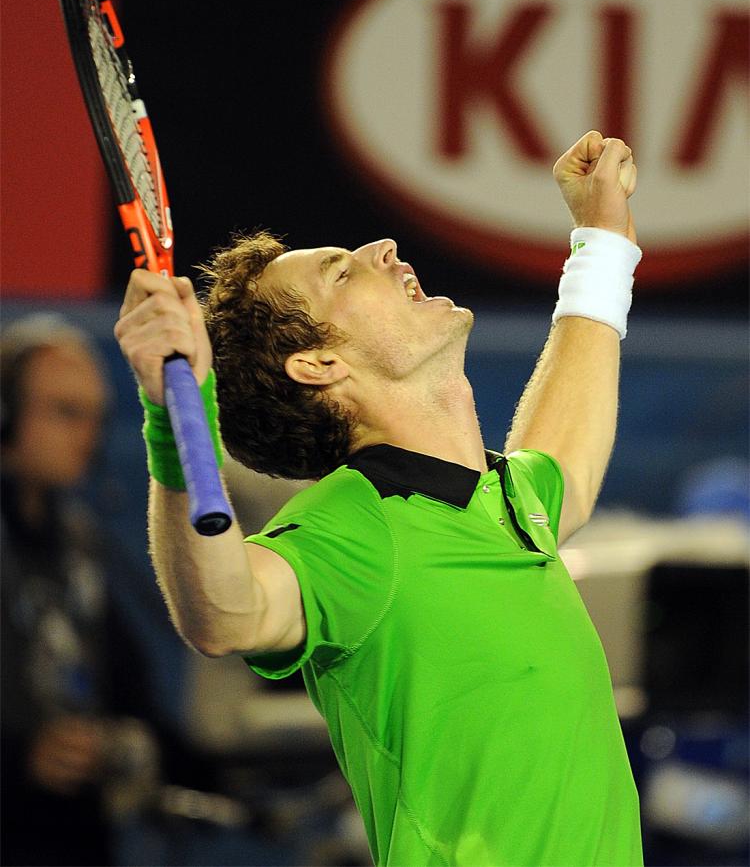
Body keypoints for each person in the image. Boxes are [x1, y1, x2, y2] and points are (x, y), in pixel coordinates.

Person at [114, 130, 645, 866]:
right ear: (318, 362)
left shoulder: (509, 501)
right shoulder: (352, 527)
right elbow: (225, 613)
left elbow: (566, 451)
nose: (384, 247)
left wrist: (603, 238)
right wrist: (176, 428)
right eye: (342, 271)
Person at [0, 315, 158, 867]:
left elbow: (133, 686)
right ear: (5, 415)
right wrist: (20, 759)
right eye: (65, 412)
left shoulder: (80, 543)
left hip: (73, 836)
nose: (87, 437)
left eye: (95, 417)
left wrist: (124, 744)